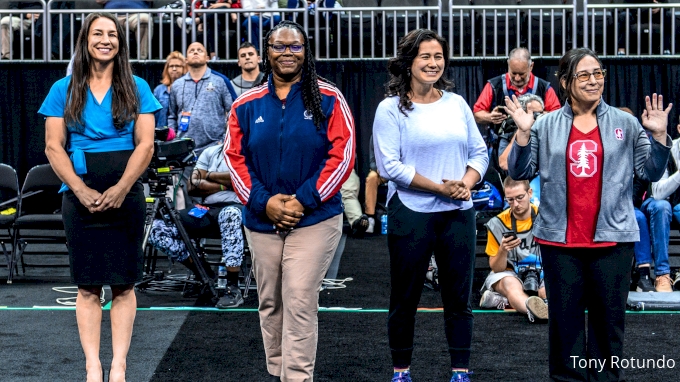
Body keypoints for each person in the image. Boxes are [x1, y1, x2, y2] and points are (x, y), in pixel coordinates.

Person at [505, 47, 672, 381]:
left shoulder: (625, 123)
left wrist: (658, 137)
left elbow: (651, 172)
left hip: (613, 243)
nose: (594, 81)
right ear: (566, 81)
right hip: (559, 243)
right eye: (584, 75)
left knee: (608, 328)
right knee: (564, 330)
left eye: (598, 73)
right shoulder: (546, 124)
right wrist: (523, 133)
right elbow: (520, 169)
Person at [224, 20, 354, 382]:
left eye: (295, 46)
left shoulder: (329, 97)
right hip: (261, 218)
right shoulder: (246, 104)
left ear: (305, 51)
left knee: (298, 298)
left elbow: (342, 155)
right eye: (279, 47)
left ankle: (296, 376)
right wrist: (265, 203)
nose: (287, 53)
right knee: (270, 303)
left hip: (315, 218)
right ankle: (277, 371)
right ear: (267, 52)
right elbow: (235, 158)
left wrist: (302, 201)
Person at [39, 12, 161, 382]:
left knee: (124, 283)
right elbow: (53, 147)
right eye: (97, 33)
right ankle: (93, 365)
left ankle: (118, 365)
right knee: (88, 284)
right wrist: (81, 189)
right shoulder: (63, 88)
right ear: (86, 40)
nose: (105, 39)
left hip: (126, 193)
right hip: (80, 196)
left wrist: (123, 188)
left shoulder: (137, 86)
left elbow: (146, 145)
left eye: (112, 34)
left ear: (120, 43)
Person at [373, 29, 488, 382]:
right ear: (409, 62)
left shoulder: (456, 103)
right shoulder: (389, 109)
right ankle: (401, 371)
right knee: (405, 297)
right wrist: (441, 188)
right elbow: (389, 166)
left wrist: (465, 185)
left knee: (459, 299)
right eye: (425, 56)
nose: (433, 63)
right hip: (411, 212)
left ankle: (460, 371)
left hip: (458, 213)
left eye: (438, 57)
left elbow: (479, 153)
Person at [148, 141, 246, 308]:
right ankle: (204, 274)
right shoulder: (210, 152)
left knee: (230, 214)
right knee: (155, 229)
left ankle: (232, 288)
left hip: (238, 207)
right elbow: (192, 186)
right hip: (206, 209)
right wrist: (225, 183)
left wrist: (209, 175)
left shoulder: (252, 150)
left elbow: (243, 179)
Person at [472, 47, 560, 164]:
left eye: (521, 74)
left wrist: (538, 116)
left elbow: (557, 117)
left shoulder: (544, 88)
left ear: (531, 66)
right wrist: (490, 117)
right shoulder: (494, 85)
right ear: (508, 64)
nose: (517, 78)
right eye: (513, 73)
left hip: (536, 144)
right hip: (501, 144)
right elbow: (477, 113)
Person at [479, 177, 548, 322]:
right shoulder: (497, 223)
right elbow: (496, 268)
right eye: (510, 200)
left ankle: (503, 301)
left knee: (545, 290)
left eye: (520, 198)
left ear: (530, 193)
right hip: (509, 272)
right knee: (511, 285)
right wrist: (503, 250)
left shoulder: (546, 218)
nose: (515, 204)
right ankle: (535, 312)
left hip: (543, 271)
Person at [168, 41, 233, 155]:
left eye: (200, 50)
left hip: (215, 147)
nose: (195, 52)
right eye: (191, 51)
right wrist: (174, 140)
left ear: (207, 58)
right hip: (183, 148)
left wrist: (224, 140)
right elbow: (172, 116)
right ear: (186, 60)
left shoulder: (220, 81)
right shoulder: (177, 85)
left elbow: (233, 112)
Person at [153, 51, 187, 129]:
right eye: (171, 66)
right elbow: (153, 115)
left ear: (184, 68)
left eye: (177, 66)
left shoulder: (187, 88)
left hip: (180, 134)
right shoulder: (159, 90)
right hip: (161, 133)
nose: (174, 69)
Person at [364, 135, 387, 233]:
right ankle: (370, 217)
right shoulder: (375, 135)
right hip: (380, 172)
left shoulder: (400, 132)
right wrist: (379, 170)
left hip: (397, 171)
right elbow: (372, 160)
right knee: (371, 177)